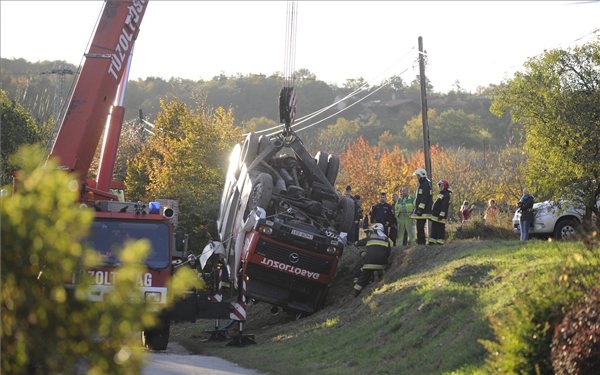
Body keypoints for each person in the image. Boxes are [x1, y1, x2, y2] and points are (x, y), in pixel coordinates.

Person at [352, 223, 392, 297]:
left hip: (368, 264)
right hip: (382, 264)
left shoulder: (370, 237)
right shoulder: (386, 239)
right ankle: (380, 281)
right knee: (379, 270)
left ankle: (355, 293)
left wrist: (355, 243)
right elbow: (388, 252)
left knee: (363, 277)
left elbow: (358, 243)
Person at [410, 168, 433, 245]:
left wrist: (420, 209)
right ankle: (420, 241)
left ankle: (421, 242)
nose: (417, 177)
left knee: (420, 227)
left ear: (421, 176)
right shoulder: (423, 184)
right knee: (419, 226)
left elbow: (424, 198)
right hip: (422, 211)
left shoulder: (425, 185)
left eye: (418, 176)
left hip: (423, 211)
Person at [429, 179, 452, 244]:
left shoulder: (446, 195)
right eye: (440, 186)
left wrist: (441, 215)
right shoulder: (441, 194)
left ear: (445, 186)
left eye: (441, 185)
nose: (440, 187)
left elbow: (444, 206)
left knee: (440, 228)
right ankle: (432, 241)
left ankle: (440, 241)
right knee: (434, 228)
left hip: (440, 216)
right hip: (436, 215)